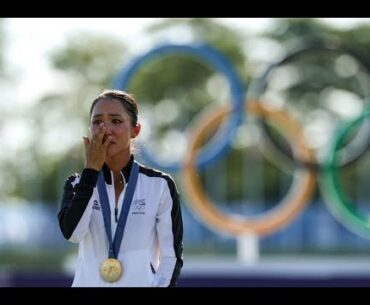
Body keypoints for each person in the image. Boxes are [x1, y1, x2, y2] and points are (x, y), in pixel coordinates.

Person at [58, 89, 184, 287]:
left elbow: (171, 257)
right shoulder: (77, 184)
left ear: (135, 130)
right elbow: (73, 234)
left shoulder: (159, 186)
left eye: (116, 121)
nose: (105, 128)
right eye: (97, 121)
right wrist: (91, 172)